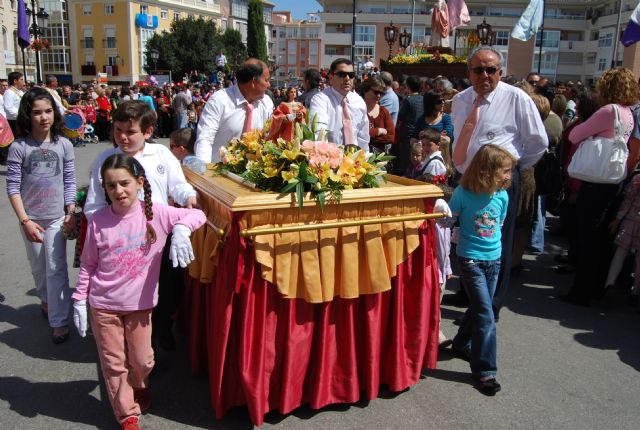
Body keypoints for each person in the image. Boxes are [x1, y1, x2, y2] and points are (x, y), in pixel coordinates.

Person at [72, 154, 205, 430]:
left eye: (124, 183)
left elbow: (198, 213)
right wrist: (79, 301)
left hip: (140, 306)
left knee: (143, 360)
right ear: (104, 189)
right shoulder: (97, 220)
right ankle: (127, 413)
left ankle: (139, 383)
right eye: (111, 186)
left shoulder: (157, 213)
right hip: (103, 304)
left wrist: (181, 227)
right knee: (113, 363)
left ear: (139, 182)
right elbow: (88, 264)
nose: (118, 191)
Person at [84, 101, 198, 349]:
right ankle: (136, 345)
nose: (123, 137)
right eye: (117, 130)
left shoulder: (160, 154)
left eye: (130, 131)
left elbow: (177, 185)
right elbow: (93, 205)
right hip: (124, 241)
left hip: (159, 235)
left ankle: (162, 326)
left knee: (169, 286)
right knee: (131, 293)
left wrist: (187, 197)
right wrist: (106, 231)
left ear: (147, 132)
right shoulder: (106, 159)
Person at [449, 46, 547, 318]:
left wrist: (510, 173)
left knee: (496, 243)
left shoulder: (516, 99)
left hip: (498, 184)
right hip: (467, 181)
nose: (485, 75)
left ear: (500, 72)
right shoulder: (460, 100)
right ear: (468, 72)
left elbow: (537, 142)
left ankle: (490, 306)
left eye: (491, 69)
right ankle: (469, 293)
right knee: (466, 239)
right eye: (478, 69)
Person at [559, 68, 638, 307]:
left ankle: (581, 291)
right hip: (612, 180)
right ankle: (594, 288)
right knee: (601, 238)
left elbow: (575, 135)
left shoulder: (608, 110)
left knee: (587, 238)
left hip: (595, 182)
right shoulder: (628, 113)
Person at [6, 87, 76, 344]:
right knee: (39, 268)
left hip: (57, 217)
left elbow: (69, 180)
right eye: (37, 112)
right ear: (28, 115)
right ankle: (46, 301)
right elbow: (12, 186)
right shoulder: (19, 147)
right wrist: (24, 220)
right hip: (31, 218)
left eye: (48, 111)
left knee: (56, 268)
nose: (44, 117)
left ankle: (59, 322)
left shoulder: (65, 144)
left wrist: (70, 211)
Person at [447, 144, 516, 396]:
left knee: (480, 309)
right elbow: (448, 220)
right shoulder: (463, 193)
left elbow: (500, 224)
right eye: (504, 171)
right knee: (486, 315)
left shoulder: (502, 196)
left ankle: (460, 343)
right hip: (470, 261)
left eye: (509, 172)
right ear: (486, 170)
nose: (508, 177)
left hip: (494, 261)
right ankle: (485, 371)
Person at [194, 58, 274, 162]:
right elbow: (205, 139)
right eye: (266, 80)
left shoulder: (267, 102)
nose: (269, 85)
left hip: (253, 174)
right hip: (220, 173)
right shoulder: (219, 100)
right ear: (254, 82)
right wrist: (204, 172)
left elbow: (270, 137)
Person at [309, 58, 369, 149]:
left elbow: (363, 138)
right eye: (342, 74)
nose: (347, 78)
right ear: (331, 77)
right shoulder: (320, 100)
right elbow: (319, 134)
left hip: (355, 160)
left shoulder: (359, 102)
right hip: (331, 159)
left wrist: (364, 159)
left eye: (351, 75)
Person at [605, 174, 640, 306]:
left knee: (620, 253)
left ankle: (609, 284)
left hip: (630, 220)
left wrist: (618, 219)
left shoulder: (637, 178)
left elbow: (627, 201)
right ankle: (635, 293)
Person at [393, 75, 424, 175]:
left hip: (408, 134)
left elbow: (400, 117)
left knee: (406, 159)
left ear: (409, 86)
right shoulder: (423, 99)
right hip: (420, 132)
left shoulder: (408, 100)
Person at [361, 77, 395, 154]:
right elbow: (357, 134)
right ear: (366, 90)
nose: (379, 95)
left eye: (382, 93)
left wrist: (369, 136)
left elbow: (390, 138)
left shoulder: (384, 112)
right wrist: (378, 131)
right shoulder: (358, 110)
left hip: (380, 158)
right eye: (376, 92)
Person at [2, 72, 25, 164]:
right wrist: (21, 115)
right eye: (21, 80)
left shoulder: (19, 91)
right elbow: (8, 108)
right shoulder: (9, 92)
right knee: (17, 144)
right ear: (15, 81)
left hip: (21, 120)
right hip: (14, 122)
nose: (23, 82)